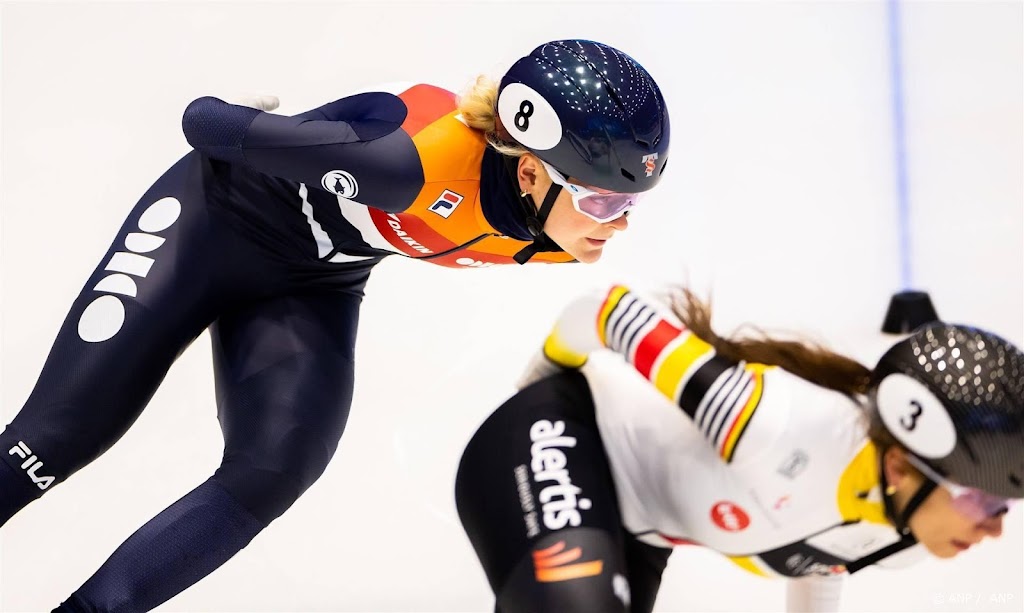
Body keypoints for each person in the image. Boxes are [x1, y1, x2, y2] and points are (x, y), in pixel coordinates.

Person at [0, 40, 670, 611]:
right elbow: (202, 121)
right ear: (529, 170)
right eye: (604, 198)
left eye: (634, 200)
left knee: (278, 465)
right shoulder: (412, 163)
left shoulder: (555, 230)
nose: (620, 221)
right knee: (58, 436)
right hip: (211, 222)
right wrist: (255, 124)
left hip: (316, 280)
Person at [455, 284, 1023, 612]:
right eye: (981, 499)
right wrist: (537, 385)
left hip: (640, 527)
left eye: (1005, 505)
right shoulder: (767, 422)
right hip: (559, 432)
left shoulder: (910, 532)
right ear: (900, 465)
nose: (996, 527)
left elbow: (827, 557)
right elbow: (609, 310)